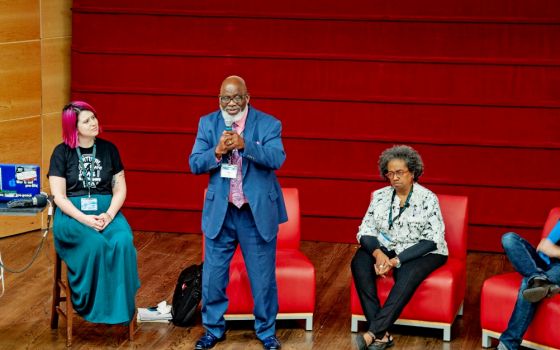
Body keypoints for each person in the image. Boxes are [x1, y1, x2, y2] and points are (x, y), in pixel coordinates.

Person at [189, 76, 287, 350]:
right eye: (225, 98)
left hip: (254, 214)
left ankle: (266, 332)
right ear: (219, 99)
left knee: (262, 278)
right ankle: (213, 329)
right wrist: (217, 152)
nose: (230, 103)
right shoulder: (207, 123)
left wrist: (247, 145)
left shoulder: (268, 123)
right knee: (213, 278)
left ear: (247, 98)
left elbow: (278, 158)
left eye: (236, 97)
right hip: (221, 212)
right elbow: (194, 163)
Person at [48, 101, 140, 325]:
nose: (94, 123)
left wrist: (108, 215)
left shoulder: (109, 149)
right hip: (73, 216)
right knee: (95, 245)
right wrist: (84, 219)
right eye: (86, 120)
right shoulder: (61, 153)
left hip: (107, 213)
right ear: (73, 126)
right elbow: (59, 197)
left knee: (123, 241)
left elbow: (120, 188)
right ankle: (89, 304)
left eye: (94, 118)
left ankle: (119, 306)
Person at [351, 145, 448, 350]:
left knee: (406, 275)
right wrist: (377, 254)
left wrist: (395, 261)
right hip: (387, 246)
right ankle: (382, 334)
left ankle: (372, 332)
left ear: (412, 173)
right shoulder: (379, 196)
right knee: (359, 262)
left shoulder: (428, 199)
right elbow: (365, 231)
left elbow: (431, 240)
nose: (394, 177)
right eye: (390, 173)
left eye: (399, 172)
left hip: (424, 251)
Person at [496, 224, 560, 350]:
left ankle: (507, 345)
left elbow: (549, 248)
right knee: (509, 238)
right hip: (540, 262)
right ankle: (536, 277)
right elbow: (543, 247)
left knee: (529, 285)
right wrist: (549, 249)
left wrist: (555, 251)